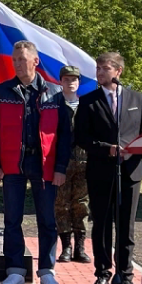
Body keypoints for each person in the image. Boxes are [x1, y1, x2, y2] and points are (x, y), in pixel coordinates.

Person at [75, 52, 142, 284]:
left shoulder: (137, 98)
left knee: (126, 226)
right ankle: (103, 273)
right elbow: (81, 137)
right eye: (98, 68)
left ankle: (125, 275)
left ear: (118, 72)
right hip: (101, 171)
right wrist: (107, 149)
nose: (100, 73)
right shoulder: (88, 101)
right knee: (102, 224)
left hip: (130, 171)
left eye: (105, 68)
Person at [0, 41, 71, 284]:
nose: (17, 64)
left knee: (47, 220)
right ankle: (14, 269)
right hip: (13, 162)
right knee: (12, 219)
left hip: (44, 164)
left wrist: (61, 168)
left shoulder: (55, 92)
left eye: (22, 60)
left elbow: (65, 134)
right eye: (15, 60)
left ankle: (47, 270)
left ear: (35, 61)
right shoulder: (3, 90)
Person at [54, 65, 91, 264]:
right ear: (61, 82)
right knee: (61, 205)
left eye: (74, 79)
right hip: (62, 162)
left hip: (85, 161)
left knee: (82, 205)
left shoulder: (87, 105)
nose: (71, 82)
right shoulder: (55, 104)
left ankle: (80, 246)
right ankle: (66, 246)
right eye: (67, 79)